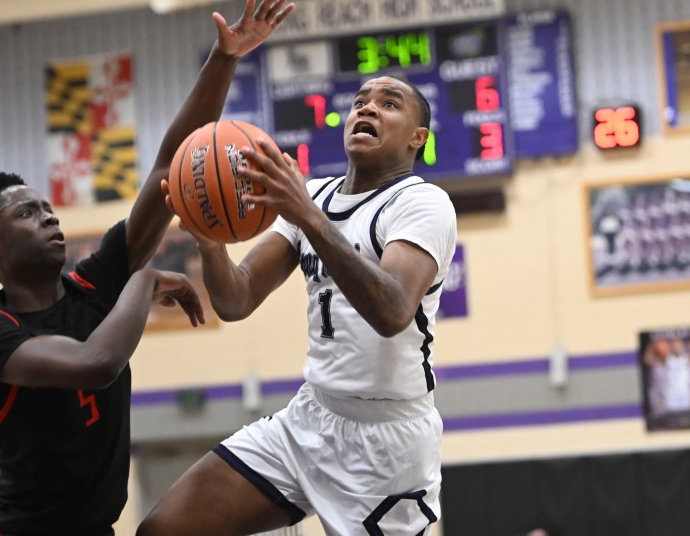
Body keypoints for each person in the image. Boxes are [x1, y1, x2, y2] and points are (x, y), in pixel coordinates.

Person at [0, 0, 293, 536]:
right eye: (26, 214)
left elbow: (168, 167)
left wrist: (224, 59)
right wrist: (147, 276)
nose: (49, 217)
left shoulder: (93, 282)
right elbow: (95, 363)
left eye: (48, 207)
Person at [141, 74, 458, 535]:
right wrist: (209, 244)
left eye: (389, 104)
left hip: (387, 444)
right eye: (360, 101)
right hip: (310, 419)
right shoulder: (314, 195)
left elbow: (392, 311)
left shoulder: (423, 204)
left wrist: (305, 215)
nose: (367, 109)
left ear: (418, 138)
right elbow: (237, 298)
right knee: (164, 529)